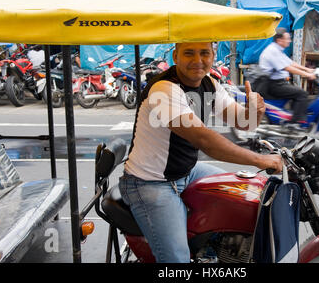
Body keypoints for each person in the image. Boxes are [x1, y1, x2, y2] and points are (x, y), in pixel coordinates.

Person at [119, 42, 282, 263]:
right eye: (189, 53)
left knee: (246, 195)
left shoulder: (209, 85)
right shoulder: (164, 90)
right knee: (177, 260)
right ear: (175, 55)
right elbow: (205, 140)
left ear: (213, 55)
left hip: (187, 171)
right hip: (150, 182)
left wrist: (255, 110)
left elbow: (244, 122)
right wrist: (260, 160)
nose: (198, 60)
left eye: (204, 53)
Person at [257, 28, 316, 129]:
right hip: (273, 84)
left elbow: (290, 63)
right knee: (302, 94)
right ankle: (295, 123)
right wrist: (307, 74)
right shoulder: (273, 51)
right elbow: (287, 67)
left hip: (278, 83)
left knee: (295, 93)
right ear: (280, 40)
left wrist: (307, 70)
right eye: (287, 39)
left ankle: (293, 117)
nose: (289, 41)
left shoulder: (277, 50)